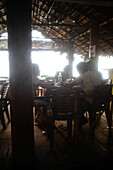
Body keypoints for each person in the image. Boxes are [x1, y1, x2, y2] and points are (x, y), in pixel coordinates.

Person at [65, 61, 103, 126]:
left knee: (75, 104)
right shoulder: (94, 73)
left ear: (82, 68)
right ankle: (87, 123)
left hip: (90, 100)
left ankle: (79, 125)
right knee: (79, 100)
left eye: (78, 69)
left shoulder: (84, 75)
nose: (78, 71)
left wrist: (64, 84)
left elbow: (71, 84)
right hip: (99, 99)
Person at [32, 63, 52, 129]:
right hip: (32, 99)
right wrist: (52, 84)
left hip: (32, 98)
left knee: (46, 99)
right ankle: (46, 120)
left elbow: (42, 83)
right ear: (34, 70)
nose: (39, 71)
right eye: (38, 69)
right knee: (49, 102)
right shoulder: (33, 77)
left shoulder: (32, 76)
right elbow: (43, 85)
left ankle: (40, 119)